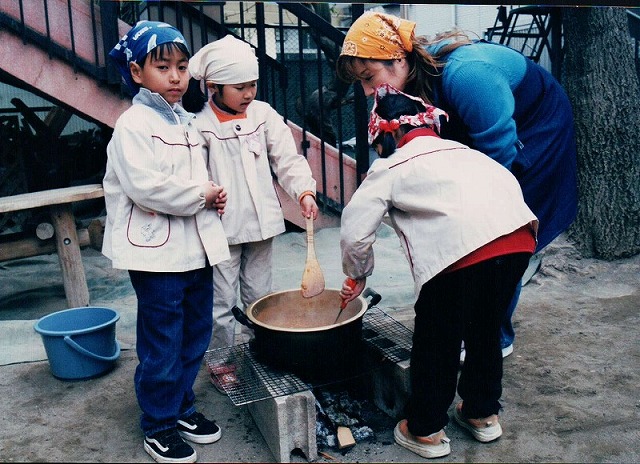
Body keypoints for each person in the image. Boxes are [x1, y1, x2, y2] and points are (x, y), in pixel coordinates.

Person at [336, 11, 578, 361]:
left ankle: (494, 337)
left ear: (398, 59)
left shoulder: (467, 75)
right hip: (487, 131)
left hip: (534, 130)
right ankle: (469, 323)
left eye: (369, 76)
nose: (368, 91)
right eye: (360, 81)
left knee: (499, 228)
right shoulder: (413, 83)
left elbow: (498, 156)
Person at [339, 83, 538, 458]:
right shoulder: (467, 153)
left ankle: (425, 429)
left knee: (437, 338)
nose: (378, 150)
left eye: (378, 141)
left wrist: (358, 271)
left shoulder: (392, 166)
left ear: (392, 131)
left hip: (460, 254)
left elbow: (354, 231)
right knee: (484, 328)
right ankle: (482, 414)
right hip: (517, 241)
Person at [103, 21, 230, 464]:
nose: (176, 77)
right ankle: (158, 422)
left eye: (181, 67)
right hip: (157, 256)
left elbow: (191, 179)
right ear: (137, 72)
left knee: (195, 333)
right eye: (163, 67)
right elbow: (146, 187)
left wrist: (212, 190)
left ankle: (181, 406)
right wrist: (201, 194)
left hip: (195, 249)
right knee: (163, 340)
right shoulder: (133, 124)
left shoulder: (187, 122)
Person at [186, 36, 319, 354]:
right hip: (221, 232)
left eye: (253, 85)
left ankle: (261, 348)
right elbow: (192, 176)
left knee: (261, 296)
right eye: (240, 87)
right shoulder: (199, 125)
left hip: (260, 226)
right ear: (214, 86)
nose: (248, 94)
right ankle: (221, 359)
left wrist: (304, 192)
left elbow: (287, 160)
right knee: (221, 301)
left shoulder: (263, 115)